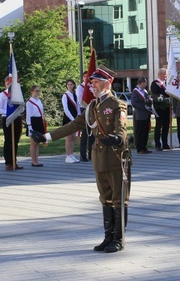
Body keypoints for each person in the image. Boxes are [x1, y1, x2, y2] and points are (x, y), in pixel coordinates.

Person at [30, 67, 131, 253]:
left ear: (107, 83)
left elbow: (121, 126)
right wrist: (47, 137)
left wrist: (118, 138)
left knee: (118, 199)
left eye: (96, 82)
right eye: (91, 83)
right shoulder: (92, 107)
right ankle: (108, 237)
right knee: (105, 198)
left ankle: (119, 239)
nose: (92, 86)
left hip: (116, 156)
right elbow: (72, 125)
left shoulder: (117, 104)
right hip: (99, 157)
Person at [0, 76, 23, 171]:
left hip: (17, 118)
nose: (9, 85)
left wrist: (17, 112)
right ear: (5, 84)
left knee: (15, 140)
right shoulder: (2, 95)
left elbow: (21, 107)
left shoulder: (17, 95)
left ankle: (14, 161)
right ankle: (8, 162)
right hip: (7, 118)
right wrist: (8, 113)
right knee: (8, 140)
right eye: (8, 84)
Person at [151, 68, 171, 150]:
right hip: (159, 108)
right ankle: (158, 144)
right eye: (165, 74)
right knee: (159, 126)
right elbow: (155, 95)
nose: (166, 76)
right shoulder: (155, 83)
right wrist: (165, 93)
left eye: (166, 74)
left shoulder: (166, 83)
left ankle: (165, 143)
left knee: (166, 126)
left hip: (166, 108)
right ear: (160, 74)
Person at [130, 77, 152, 154]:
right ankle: (139, 148)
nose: (146, 84)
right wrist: (144, 107)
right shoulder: (135, 91)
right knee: (140, 131)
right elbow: (134, 103)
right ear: (141, 83)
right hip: (140, 115)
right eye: (145, 83)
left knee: (145, 131)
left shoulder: (145, 91)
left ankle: (144, 147)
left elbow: (147, 100)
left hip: (146, 114)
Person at [26, 85, 45, 167]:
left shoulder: (39, 101)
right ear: (32, 91)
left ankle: (36, 160)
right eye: (36, 91)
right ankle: (33, 161)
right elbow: (28, 115)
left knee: (38, 142)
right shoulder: (29, 102)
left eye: (38, 91)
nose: (38, 93)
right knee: (33, 142)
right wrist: (29, 126)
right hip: (33, 122)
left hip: (39, 121)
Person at [61, 79, 80, 163]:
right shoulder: (65, 95)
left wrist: (78, 116)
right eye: (68, 84)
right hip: (68, 118)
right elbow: (65, 109)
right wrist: (72, 119)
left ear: (74, 85)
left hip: (75, 117)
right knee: (69, 137)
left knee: (73, 137)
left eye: (71, 84)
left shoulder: (75, 95)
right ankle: (67, 156)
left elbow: (78, 107)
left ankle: (71, 155)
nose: (69, 86)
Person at [76, 73, 93, 162]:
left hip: (92, 110)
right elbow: (80, 100)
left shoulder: (92, 86)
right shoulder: (80, 88)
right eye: (85, 76)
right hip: (84, 110)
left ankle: (91, 154)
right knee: (85, 133)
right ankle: (83, 154)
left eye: (88, 76)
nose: (86, 78)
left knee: (92, 133)